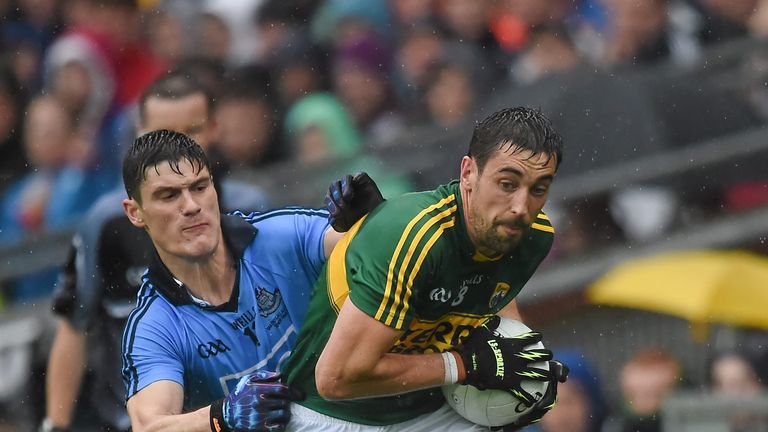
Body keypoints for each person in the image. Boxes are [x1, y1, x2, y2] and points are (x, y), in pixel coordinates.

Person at [284, 106, 568, 430]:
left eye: (538, 189)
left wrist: (526, 371)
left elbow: (494, 302)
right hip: (331, 413)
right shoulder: (413, 238)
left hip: (430, 408)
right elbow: (335, 379)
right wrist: (463, 365)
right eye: (507, 184)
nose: (521, 207)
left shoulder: (532, 236)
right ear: (468, 173)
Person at [42, 71, 270, 432]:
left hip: (242, 414)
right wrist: (55, 425)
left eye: (191, 130)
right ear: (139, 132)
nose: (176, 145)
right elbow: (74, 325)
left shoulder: (253, 211)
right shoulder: (105, 223)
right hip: (134, 421)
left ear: (215, 129)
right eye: (162, 133)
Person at [118, 129, 359, 432]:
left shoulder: (279, 238)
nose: (191, 206)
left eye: (200, 187)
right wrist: (222, 416)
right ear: (135, 213)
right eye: (169, 195)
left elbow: (371, 245)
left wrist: (370, 216)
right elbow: (149, 427)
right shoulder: (155, 326)